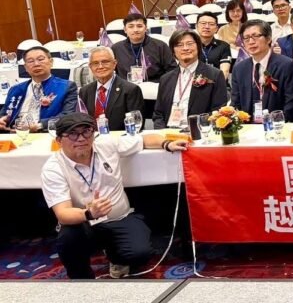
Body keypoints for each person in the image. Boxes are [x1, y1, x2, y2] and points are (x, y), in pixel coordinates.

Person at [41, 113, 188, 279]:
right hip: (84, 223)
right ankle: (82, 280)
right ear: (59, 140)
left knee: (140, 253)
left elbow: (145, 139)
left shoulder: (106, 144)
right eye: (73, 134)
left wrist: (167, 144)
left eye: (86, 132)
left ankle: (116, 256)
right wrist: (89, 213)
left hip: (120, 217)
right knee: (68, 238)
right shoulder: (53, 168)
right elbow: (63, 213)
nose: (81, 139)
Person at [153, 29, 228, 129]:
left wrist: (195, 130)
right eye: (179, 45)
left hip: (198, 131)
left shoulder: (214, 75)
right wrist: (162, 133)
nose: (185, 48)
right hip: (169, 132)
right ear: (173, 51)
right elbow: (158, 114)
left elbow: (218, 111)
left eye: (190, 44)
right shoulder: (165, 79)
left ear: (198, 47)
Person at [230, 20, 293, 121]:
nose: (251, 42)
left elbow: (292, 102)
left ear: (268, 39)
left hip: (279, 124)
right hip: (248, 125)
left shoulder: (287, 65)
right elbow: (235, 102)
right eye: (246, 38)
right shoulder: (239, 68)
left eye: (255, 36)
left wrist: (276, 122)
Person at [1, 46, 78, 132]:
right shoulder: (15, 89)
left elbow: (68, 116)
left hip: (46, 133)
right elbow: (4, 113)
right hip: (13, 133)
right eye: (30, 61)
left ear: (51, 62)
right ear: (25, 67)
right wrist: (2, 119)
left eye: (40, 59)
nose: (36, 64)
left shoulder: (66, 87)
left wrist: (39, 126)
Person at [79, 47, 144, 131]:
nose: (100, 66)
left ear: (114, 64)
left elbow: (136, 124)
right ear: (90, 67)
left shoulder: (131, 90)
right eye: (95, 63)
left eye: (105, 62)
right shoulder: (84, 91)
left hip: (120, 137)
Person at [112, 13, 174, 82]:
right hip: (127, 87)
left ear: (145, 28)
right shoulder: (116, 48)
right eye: (131, 26)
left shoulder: (160, 46)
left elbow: (172, 70)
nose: (135, 30)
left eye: (139, 26)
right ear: (125, 29)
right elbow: (111, 72)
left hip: (155, 86)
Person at [195, 12, 232, 79]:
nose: (207, 27)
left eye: (211, 24)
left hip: (218, 83)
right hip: (194, 83)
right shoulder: (191, 46)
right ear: (196, 26)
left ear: (216, 28)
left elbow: (225, 71)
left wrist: (214, 84)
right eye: (203, 23)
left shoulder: (224, 46)